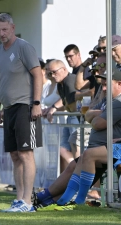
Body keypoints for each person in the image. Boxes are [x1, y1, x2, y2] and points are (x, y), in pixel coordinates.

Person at [0, 13, 43, 213]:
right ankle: (19, 199)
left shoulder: (24, 47)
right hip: (9, 109)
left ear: (12, 28)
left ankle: (28, 202)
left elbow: (38, 73)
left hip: (25, 106)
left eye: (5, 29)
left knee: (25, 153)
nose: (1, 33)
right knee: (14, 155)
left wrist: (37, 103)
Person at [55, 69, 121, 208]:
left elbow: (97, 124)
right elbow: (87, 114)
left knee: (88, 155)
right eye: (102, 85)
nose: (103, 89)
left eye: (107, 84)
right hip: (107, 147)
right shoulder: (108, 100)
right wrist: (100, 113)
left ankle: (78, 200)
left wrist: (95, 115)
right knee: (82, 158)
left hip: (116, 147)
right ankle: (65, 198)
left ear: (119, 84)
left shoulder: (118, 101)